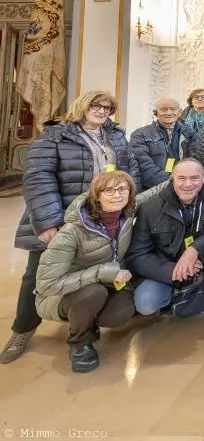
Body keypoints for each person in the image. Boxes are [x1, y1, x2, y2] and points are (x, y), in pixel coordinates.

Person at [3, 91, 141, 365]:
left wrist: (131, 205)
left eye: (107, 108)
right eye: (96, 105)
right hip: (65, 218)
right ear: (81, 105)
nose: (102, 111)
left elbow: (130, 171)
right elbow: (38, 180)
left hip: (104, 217)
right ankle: (22, 330)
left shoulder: (115, 137)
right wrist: (48, 222)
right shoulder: (55, 136)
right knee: (36, 275)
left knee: (94, 276)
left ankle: (83, 328)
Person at [34, 171, 143, 372]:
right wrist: (101, 272)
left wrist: (180, 178)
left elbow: (151, 194)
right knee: (94, 293)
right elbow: (46, 284)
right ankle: (79, 343)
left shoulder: (125, 214)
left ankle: (87, 319)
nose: (117, 195)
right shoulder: (71, 233)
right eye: (109, 190)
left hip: (110, 282)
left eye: (122, 189)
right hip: (62, 294)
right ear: (96, 196)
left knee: (119, 314)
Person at [126, 159, 204, 322]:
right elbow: (137, 256)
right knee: (145, 303)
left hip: (203, 259)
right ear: (172, 178)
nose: (188, 184)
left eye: (194, 178)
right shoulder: (150, 208)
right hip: (168, 266)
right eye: (181, 178)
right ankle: (177, 298)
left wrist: (194, 250)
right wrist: (174, 270)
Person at [130, 98, 196, 189]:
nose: (168, 113)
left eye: (173, 109)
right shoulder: (140, 134)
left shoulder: (190, 133)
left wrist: (185, 180)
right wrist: (171, 181)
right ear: (155, 112)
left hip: (185, 185)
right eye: (164, 110)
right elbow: (144, 165)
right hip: (153, 188)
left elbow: (196, 159)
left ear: (180, 112)